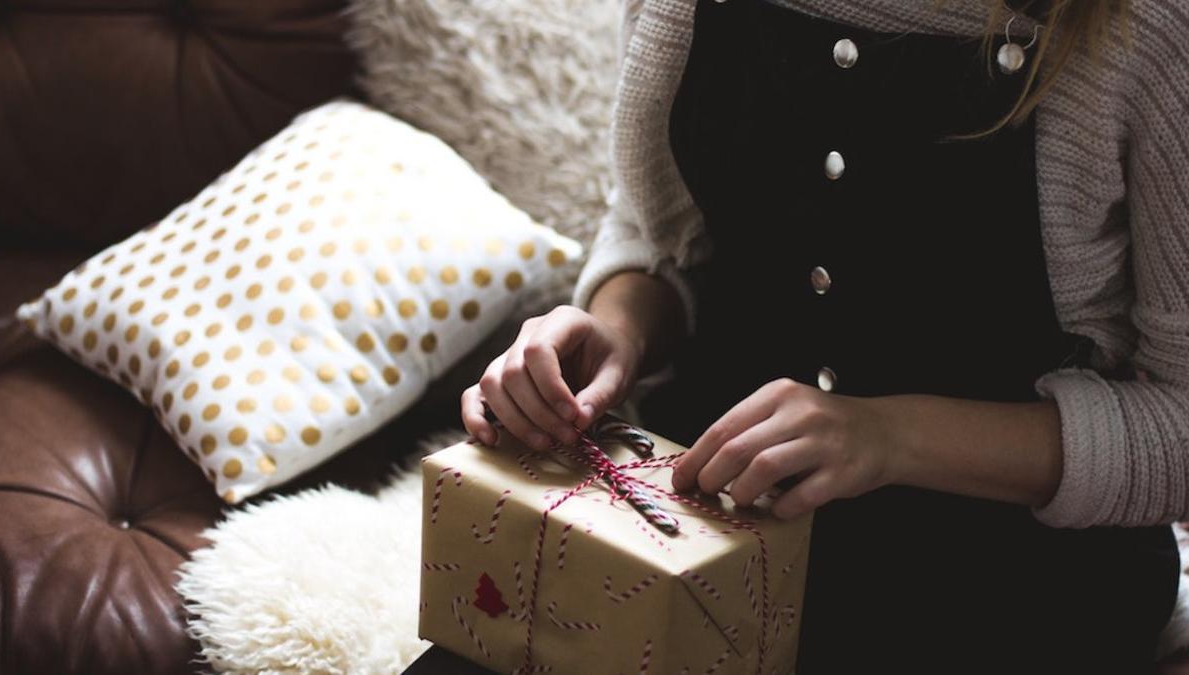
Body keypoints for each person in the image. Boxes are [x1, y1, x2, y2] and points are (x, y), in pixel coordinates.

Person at [461, 0, 1189, 672]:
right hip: (686, 539)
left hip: (1010, 593)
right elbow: (656, 223)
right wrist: (619, 325)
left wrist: (886, 435)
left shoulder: (1148, 26)